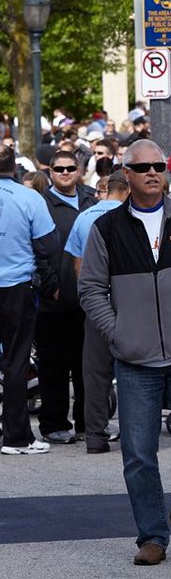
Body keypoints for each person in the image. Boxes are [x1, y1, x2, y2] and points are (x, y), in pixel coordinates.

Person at [77, 139, 171, 565]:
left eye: (158, 165)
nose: (151, 172)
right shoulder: (106, 228)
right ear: (127, 173)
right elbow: (90, 289)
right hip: (135, 357)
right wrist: (117, 332)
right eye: (141, 167)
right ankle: (152, 535)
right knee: (139, 453)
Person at [35, 149, 98, 444]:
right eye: (58, 169)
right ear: (50, 172)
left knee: (87, 364)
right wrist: (50, 284)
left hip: (88, 299)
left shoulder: (91, 200)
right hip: (53, 301)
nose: (64, 172)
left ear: (79, 169)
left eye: (70, 167)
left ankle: (87, 423)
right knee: (54, 366)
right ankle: (54, 423)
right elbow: (35, 248)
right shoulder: (41, 203)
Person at [0, 145, 60, 455]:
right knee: (16, 361)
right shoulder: (28, 198)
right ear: (15, 167)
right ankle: (16, 436)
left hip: (16, 283)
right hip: (16, 286)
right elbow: (49, 245)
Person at [65, 170, 129, 453]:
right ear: (127, 189)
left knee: (95, 373)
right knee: (134, 369)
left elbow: (78, 266)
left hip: (96, 301)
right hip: (130, 302)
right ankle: (134, 434)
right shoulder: (134, 216)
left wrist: (91, 298)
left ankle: (95, 436)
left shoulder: (84, 216)